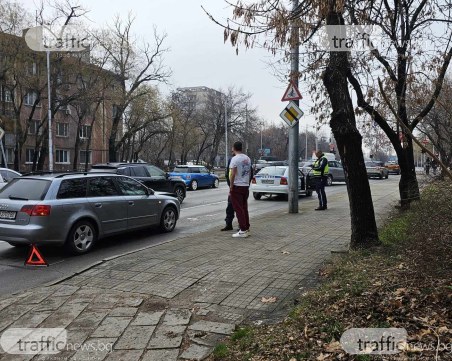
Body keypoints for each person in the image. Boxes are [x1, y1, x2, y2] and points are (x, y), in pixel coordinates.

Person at [229, 141, 252, 238]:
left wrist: (231, 186)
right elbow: (249, 172)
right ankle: (247, 228)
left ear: (234, 148)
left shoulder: (235, 159)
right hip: (245, 185)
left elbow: (233, 173)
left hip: (237, 186)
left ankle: (242, 230)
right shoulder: (247, 158)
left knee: (238, 209)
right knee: (244, 208)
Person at [221, 156, 235, 231]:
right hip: (232, 188)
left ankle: (241, 226)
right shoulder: (231, 160)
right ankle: (228, 224)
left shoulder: (244, 160)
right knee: (230, 207)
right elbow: (228, 174)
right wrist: (230, 186)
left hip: (240, 187)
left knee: (240, 208)